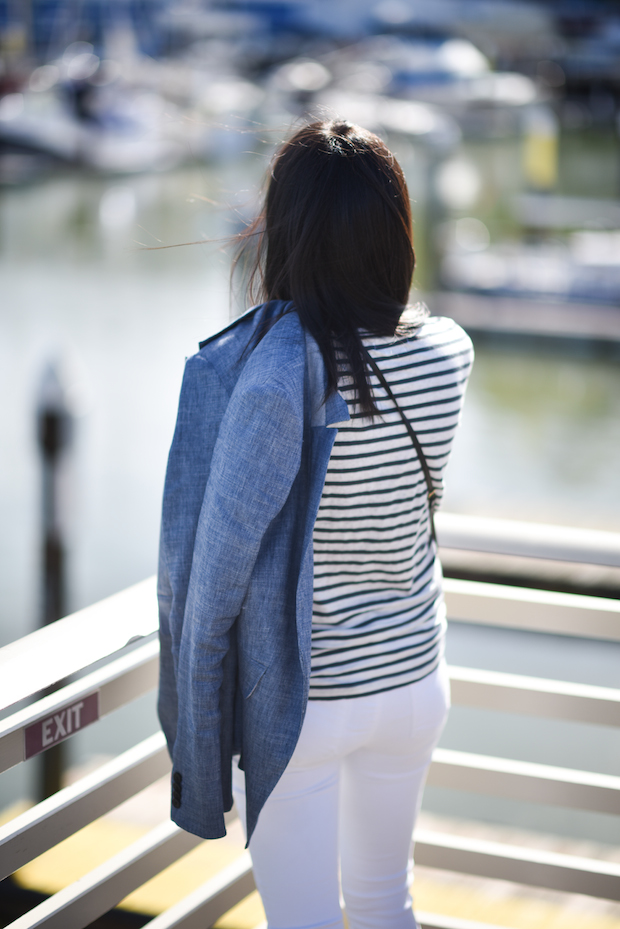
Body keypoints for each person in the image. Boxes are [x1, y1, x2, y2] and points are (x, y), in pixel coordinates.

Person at [157, 119, 474, 929]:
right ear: (395, 230)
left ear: (287, 231)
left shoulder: (273, 379)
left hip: (307, 701)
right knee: (383, 903)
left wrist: (199, 755)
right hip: (411, 674)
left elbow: (213, 583)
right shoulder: (449, 352)